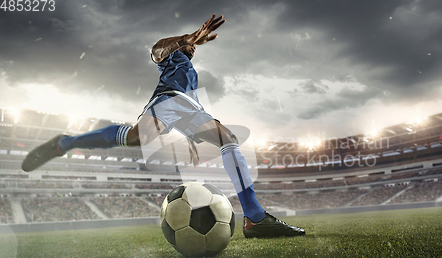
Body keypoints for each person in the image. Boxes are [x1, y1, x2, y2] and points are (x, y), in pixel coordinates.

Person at [22, 14, 305, 238]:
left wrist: (191, 138)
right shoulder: (171, 56)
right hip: (167, 100)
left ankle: (255, 218)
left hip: (189, 108)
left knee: (228, 138)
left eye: (193, 45)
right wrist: (185, 37)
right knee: (137, 138)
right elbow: (157, 49)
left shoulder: (190, 72)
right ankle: (66, 142)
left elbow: (187, 113)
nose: (193, 48)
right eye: (189, 45)